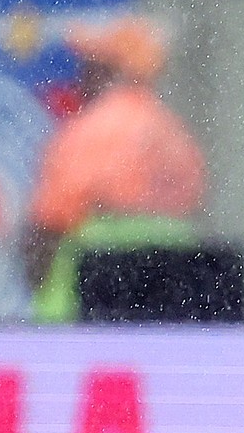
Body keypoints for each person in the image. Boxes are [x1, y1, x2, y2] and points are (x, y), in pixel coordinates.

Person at [25, 19, 206, 324]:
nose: (81, 76)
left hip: (87, 311)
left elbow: (49, 224)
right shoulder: (174, 133)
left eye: (91, 65)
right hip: (172, 310)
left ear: (110, 70)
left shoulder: (89, 131)